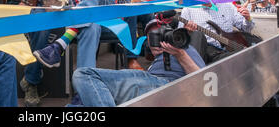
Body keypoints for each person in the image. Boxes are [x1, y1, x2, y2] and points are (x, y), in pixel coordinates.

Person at [71, 13, 206, 106]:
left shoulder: (185, 49)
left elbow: (204, 82)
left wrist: (180, 54)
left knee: (83, 74)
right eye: (151, 36)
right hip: (146, 86)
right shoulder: (156, 61)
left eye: (158, 33)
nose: (155, 39)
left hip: (164, 85)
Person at [178, 0, 255, 64]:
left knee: (248, 54)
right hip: (203, 52)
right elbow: (180, 38)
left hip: (228, 49)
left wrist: (248, 19)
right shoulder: (188, 9)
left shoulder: (227, 6)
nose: (204, 0)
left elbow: (246, 29)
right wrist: (187, 31)